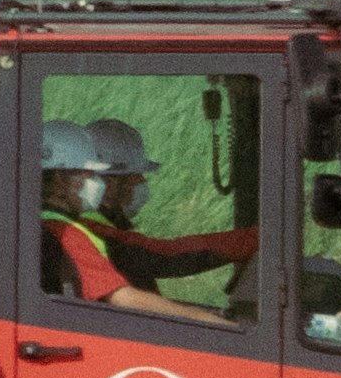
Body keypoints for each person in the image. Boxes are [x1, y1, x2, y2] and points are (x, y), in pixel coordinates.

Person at [37, 113, 255, 313]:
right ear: (60, 177)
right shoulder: (74, 230)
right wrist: (251, 240)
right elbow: (163, 258)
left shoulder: (55, 224)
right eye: (90, 174)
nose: (143, 182)